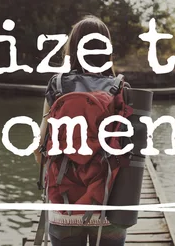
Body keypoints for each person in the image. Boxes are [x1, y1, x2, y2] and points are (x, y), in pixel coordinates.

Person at [33, 15, 128, 246]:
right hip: (108, 203)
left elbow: (40, 151)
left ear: (72, 48)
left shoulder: (57, 85)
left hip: (65, 202)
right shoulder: (120, 89)